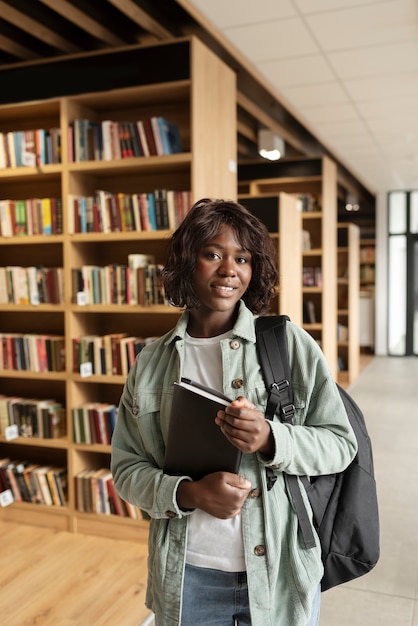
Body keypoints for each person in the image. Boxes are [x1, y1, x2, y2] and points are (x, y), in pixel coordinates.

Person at [111, 198, 357, 626]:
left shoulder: (286, 344)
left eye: (242, 258)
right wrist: (190, 494)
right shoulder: (150, 363)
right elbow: (126, 470)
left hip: (280, 572)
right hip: (188, 576)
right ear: (188, 262)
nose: (229, 270)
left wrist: (270, 438)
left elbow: (340, 444)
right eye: (213, 254)